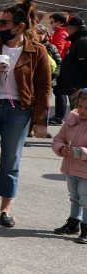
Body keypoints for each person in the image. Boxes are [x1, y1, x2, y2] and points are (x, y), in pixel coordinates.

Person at [0, 0, 51, 228]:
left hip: (20, 111)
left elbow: (44, 87)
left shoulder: (37, 51)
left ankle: (5, 208)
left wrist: (40, 121)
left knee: (11, 160)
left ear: (20, 25)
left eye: (3, 23)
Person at [51, 88, 87, 244]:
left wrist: (80, 152)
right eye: (80, 106)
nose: (82, 110)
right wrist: (61, 148)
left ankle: (86, 227)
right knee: (74, 197)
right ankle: (74, 222)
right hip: (71, 168)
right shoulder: (72, 119)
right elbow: (59, 138)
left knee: (85, 199)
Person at [51, 15, 81, 125]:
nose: (51, 24)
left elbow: (58, 51)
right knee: (66, 94)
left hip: (66, 70)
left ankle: (60, 117)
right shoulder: (64, 34)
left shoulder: (62, 34)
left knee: (62, 93)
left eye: (52, 22)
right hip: (68, 70)